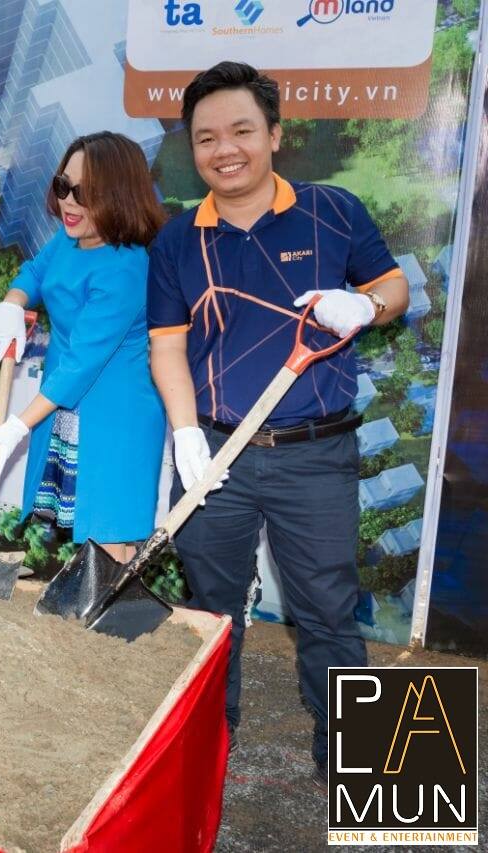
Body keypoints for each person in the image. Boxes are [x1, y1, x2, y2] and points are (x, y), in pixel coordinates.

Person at [146, 61, 409, 783]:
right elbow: (167, 345)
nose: (224, 149)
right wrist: (185, 432)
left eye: (241, 130)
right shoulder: (178, 240)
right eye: (206, 138)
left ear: (275, 135)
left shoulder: (333, 210)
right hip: (216, 453)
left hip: (316, 455)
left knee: (328, 610)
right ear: (192, 149)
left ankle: (363, 772)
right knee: (211, 613)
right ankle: (206, 753)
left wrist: (367, 306)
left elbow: (392, 285)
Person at [0, 132, 166, 562]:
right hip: (65, 401)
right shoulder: (69, 238)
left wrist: (17, 426)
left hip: (114, 413)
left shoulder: (127, 267)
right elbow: (34, 272)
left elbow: (84, 362)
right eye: (63, 186)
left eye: (84, 193)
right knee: (87, 526)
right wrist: (13, 303)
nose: (68, 202)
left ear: (118, 195)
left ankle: (105, 601)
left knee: (108, 527)